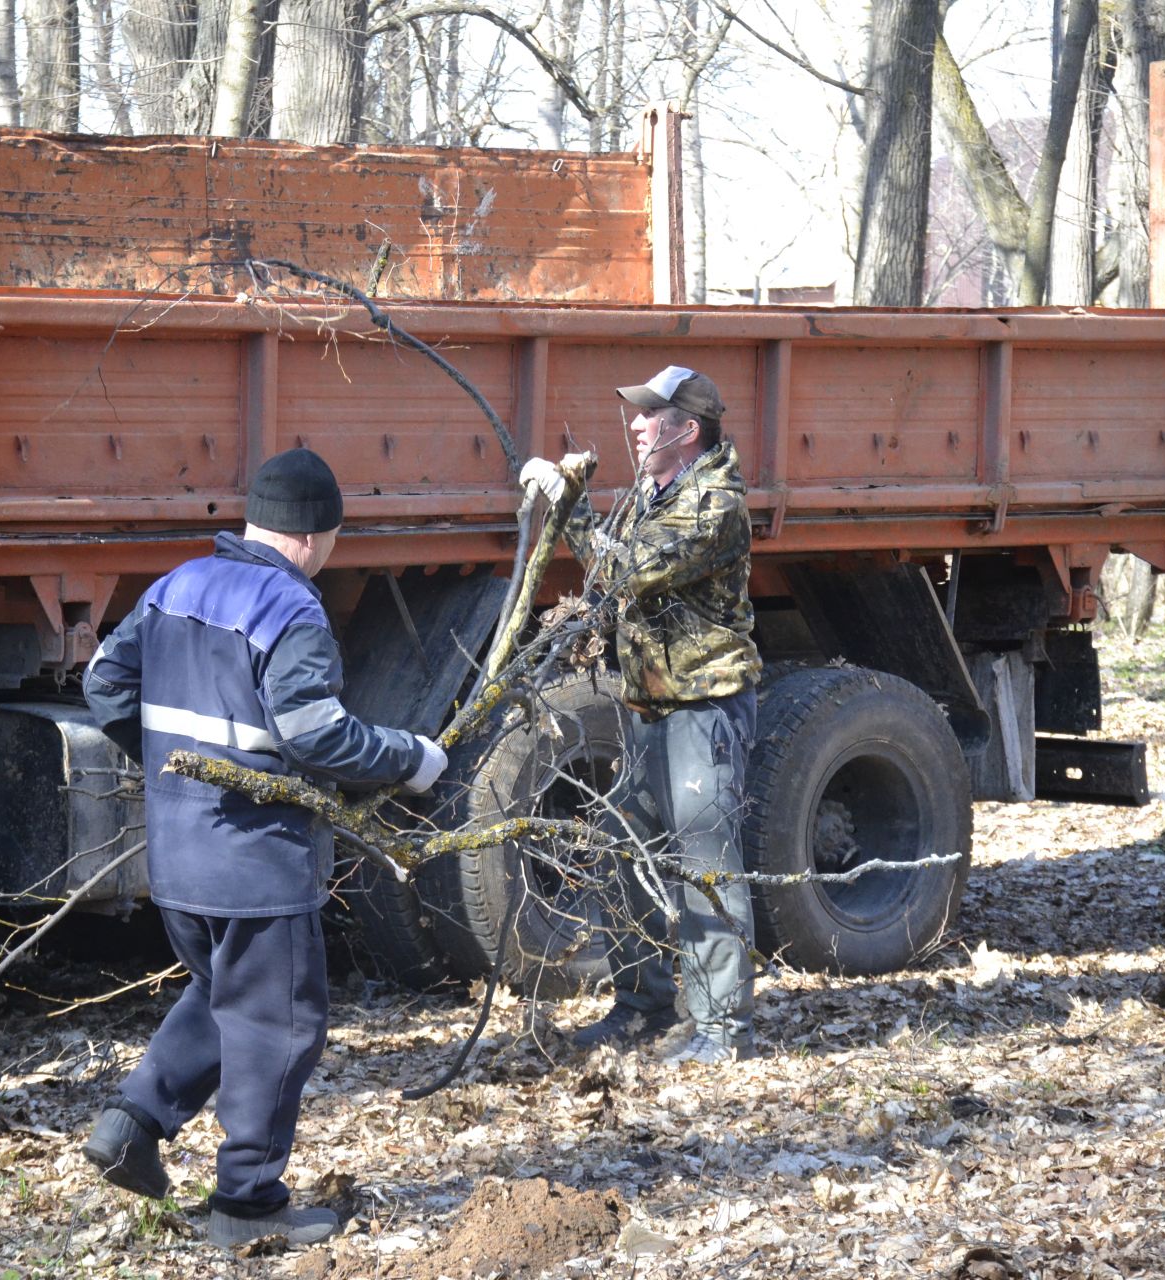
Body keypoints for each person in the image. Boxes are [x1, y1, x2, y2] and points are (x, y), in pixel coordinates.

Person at [79, 447, 449, 1248]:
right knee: (281, 1022)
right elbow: (316, 735)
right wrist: (411, 758)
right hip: (255, 859)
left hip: (176, 853)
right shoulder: (293, 609)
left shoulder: (175, 586)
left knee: (226, 997)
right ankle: (247, 1204)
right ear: (316, 537)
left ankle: (131, 1124)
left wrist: (164, 764)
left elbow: (104, 684)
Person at [520, 365, 763, 1065]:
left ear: (686, 431)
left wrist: (569, 506)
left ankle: (723, 1032)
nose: (633, 424)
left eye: (649, 415)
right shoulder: (651, 494)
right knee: (623, 851)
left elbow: (624, 571)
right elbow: (609, 587)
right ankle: (641, 1007)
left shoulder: (713, 503)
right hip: (651, 704)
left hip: (703, 708)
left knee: (705, 865)